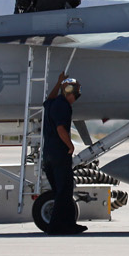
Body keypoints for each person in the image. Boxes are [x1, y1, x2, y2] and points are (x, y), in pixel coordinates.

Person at [40, 73, 86, 234]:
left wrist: (58, 82)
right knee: (64, 192)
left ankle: (69, 225)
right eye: (76, 93)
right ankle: (55, 226)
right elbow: (61, 129)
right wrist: (70, 145)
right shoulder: (64, 106)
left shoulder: (53, 103)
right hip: (60, 154)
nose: (76, 97)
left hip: (48, 155)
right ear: (70, 93)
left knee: (62, 191)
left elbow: (47, 100)